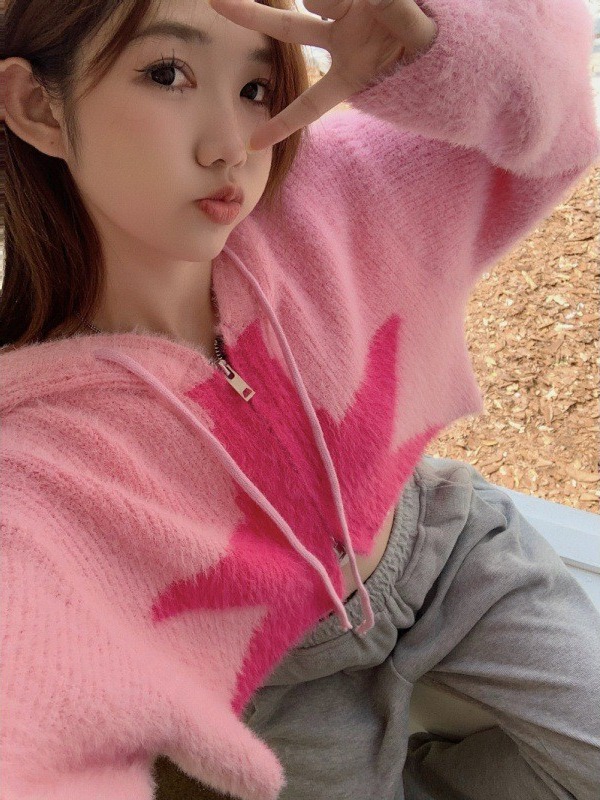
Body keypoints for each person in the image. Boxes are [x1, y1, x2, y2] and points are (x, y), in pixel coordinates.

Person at [1, 0, 598, 797]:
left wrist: (440, 45)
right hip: (286, 678)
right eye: (168, 74)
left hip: (449, 557)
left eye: (256, 88)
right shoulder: (43, 444)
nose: (232, 145)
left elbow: (554, 127)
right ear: (39, 107)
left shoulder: (330, 193)